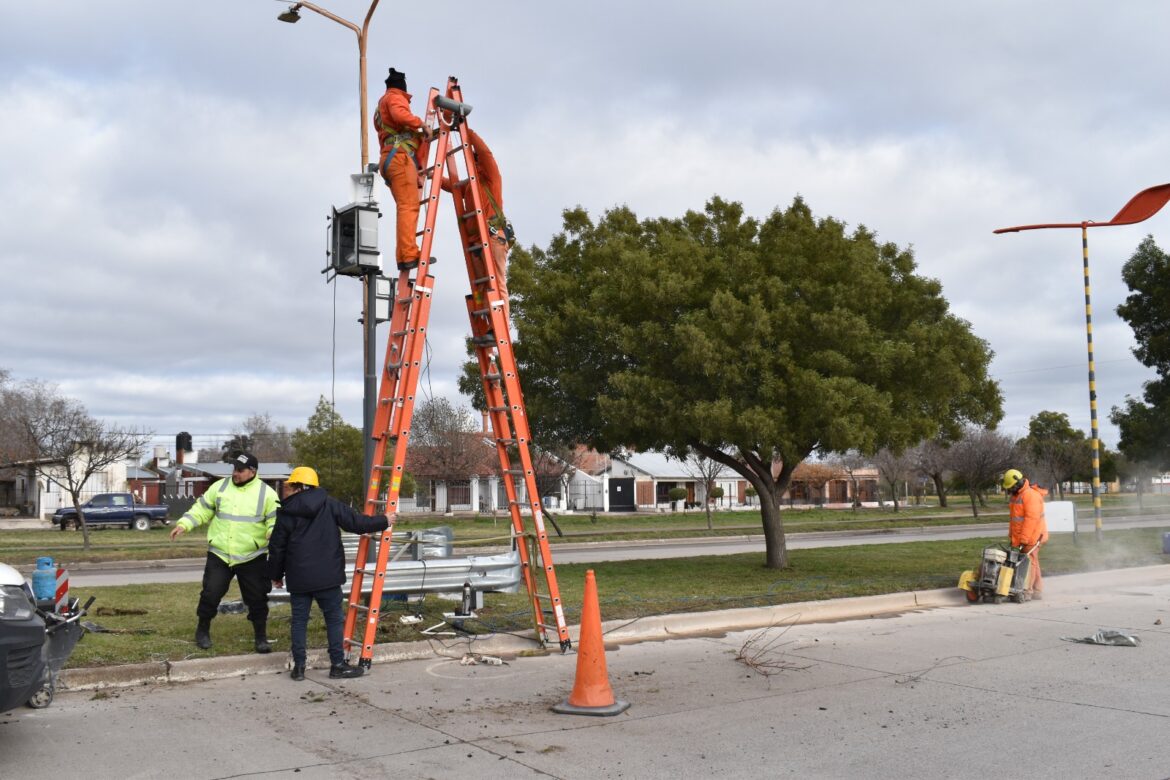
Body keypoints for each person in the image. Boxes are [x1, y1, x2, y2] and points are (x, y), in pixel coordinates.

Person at [266, 466, 390, 681]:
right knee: (333, 620)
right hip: (328, 577)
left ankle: (299, 668)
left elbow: (277, 548)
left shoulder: (286, 512)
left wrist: (276, 575)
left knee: (299, 621)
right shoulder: (329, 504)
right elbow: (357, 524)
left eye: (290, 486)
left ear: (298, 486)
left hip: (299, 578)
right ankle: (337, 665)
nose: (287, 490)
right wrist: (385, 520)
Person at [170, 452, 279, 652]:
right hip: (220, 553)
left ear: (252, 472)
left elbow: (275, 520)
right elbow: (201, 509)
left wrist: (272, 531)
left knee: (257, 598)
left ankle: (261, 637)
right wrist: (184, 524)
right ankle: (202, 631)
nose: (235, 473)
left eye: (240, 470)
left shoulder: (267, 494)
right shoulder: (219, 487)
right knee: (210, 594)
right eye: (234, 469)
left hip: (252, 556)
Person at [441, 127, 515, 297]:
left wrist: (467, 132)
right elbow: (454, 187)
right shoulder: (471, 185)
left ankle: (502, 321)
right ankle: (488, 323)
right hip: (476, 242)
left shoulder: (491, 176)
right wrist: (434, 177)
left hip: (493, 237)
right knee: (481, 289)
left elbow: (486, 153)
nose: (473, 163)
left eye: (475, 159)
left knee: (497, 285)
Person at [374, 67, 432, 271]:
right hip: (398, 158)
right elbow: (400, 115)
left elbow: (395, 127)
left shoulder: (381, 105)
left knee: (404, 208)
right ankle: (407, 255)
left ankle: (405, 254)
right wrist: (421, 125)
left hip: (389, 160)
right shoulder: (395, 98)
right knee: (409, 207)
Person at [1002, 468, 1049, 598]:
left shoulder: (1031, 496)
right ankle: (1038, 590)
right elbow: (1014, 519)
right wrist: (1012, 536)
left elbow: (1031, 520)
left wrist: (1024, 538)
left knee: (1028, 562)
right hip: (1023, 537)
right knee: (1032, 560)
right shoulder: (1016, 496)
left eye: (1011, 487)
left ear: (1017, 483)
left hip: (1033, 536)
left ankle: (1027, 590)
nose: (1009, 490)